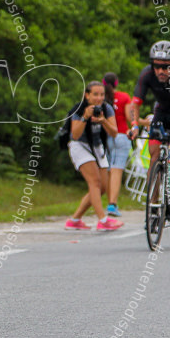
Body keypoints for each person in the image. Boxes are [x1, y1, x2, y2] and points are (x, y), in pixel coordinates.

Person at [126, 41, 170, 205]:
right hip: (162, 113)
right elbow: (135, 104)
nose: (160, 71)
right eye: (156, 66)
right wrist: (135, 125)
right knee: (155, 156)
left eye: (165, 67)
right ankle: (153, 203)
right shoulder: (147, 74)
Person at [65, 81, 122, 231]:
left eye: (102, 94)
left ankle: (75, 220)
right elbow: (75, 135)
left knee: (102, 187)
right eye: (95, 94)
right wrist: (85, 117)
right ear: (87, 95)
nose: (99, 98)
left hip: (97, 147)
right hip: (80, 146)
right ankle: (102, 220)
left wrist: (103, 121)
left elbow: (114, 132)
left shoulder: (106, 108)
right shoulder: (79, 109)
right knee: (94, 182)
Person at [101, 73, 131, 217]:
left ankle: (109, 202)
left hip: (105, 136)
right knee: (117, 170)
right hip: (121, 135)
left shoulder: (101, 98)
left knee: (107, 171)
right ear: (116, 83)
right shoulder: (124, 97)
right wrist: (142, 123)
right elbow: (129, 117)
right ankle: (113, 204)